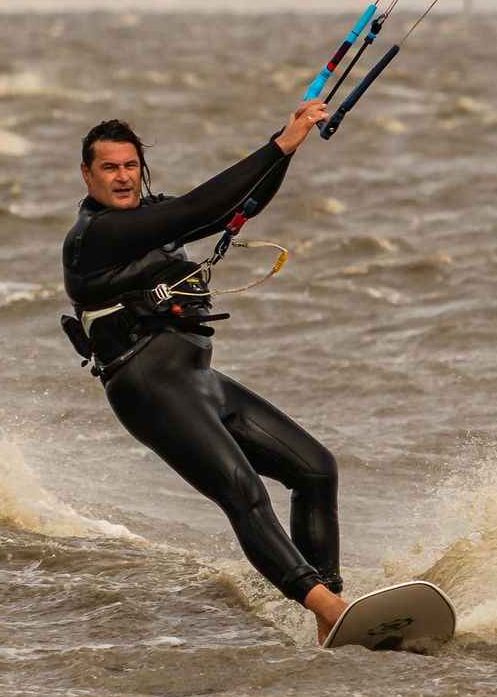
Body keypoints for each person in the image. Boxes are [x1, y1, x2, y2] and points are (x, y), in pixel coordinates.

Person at [61, 103, 348, 640]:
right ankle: (328, 609)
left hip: (197, 377)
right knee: (243, 492)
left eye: (130, 166)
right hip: (147, 383)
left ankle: (328, 610)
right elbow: (196, 208)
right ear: (87, 174)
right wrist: (278, 145)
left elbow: (227, 210)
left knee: (316, 469)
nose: (122, 178)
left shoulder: (149, 218)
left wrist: (290, 142)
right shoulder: (94, 235)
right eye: (109, 168)